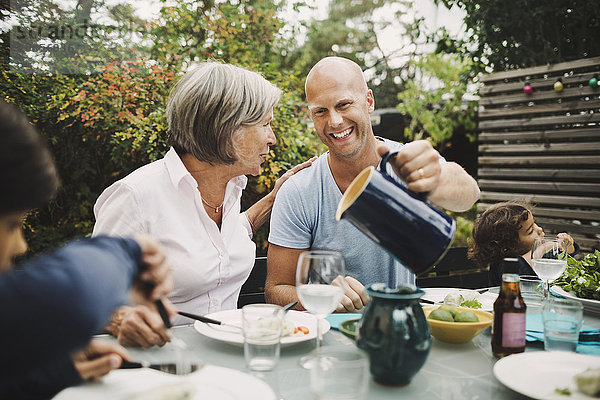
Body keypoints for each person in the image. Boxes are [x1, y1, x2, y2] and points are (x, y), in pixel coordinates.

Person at [93, 61, 315, 347]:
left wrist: (274, 198)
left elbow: (220, 240)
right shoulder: (136, 196)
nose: (272, 138)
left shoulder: (230, 188)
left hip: (233, 356)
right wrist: (120, 318)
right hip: (161, 366)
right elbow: (88, 294)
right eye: (265, 124)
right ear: (227, 128)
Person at [265, 56, 480, 312]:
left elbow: (469, 194)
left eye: (344, 104)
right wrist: (322, 296)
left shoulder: (404, 163)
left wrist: (436, 179)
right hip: (328, 340)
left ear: (368, 101)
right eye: (320, 111)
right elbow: (276, 289)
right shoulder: (300, 190)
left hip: (401, 326)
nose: (334, 121)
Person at [0, 100, 174, 399]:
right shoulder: (138, 192)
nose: (20, 245)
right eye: (12, 224)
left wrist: (49, 368)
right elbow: (71, 299)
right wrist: (128, 251)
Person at [468, 200, 578, 286]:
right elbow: (520, 269)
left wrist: (567, 246)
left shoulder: (540, 256)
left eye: (535, 224)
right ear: (507, 247)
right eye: (530, 231)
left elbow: (564, 258)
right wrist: (541, 249)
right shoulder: (502, 265)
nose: (539, 229)